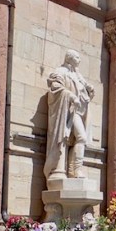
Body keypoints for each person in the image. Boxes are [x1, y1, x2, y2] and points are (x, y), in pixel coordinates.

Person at [44, 50, 95, 180]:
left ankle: (75, 171)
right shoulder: (61, 71)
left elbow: (83, 94)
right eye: (77, 57)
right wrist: (71, 96)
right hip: (68, 110)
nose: (79, 60)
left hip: (77, 112)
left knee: (81, 138)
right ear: (69, 58)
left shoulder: (78, 75)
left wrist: (89, 90)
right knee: (79, 137)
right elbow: (55, 87)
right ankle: (71, 171)